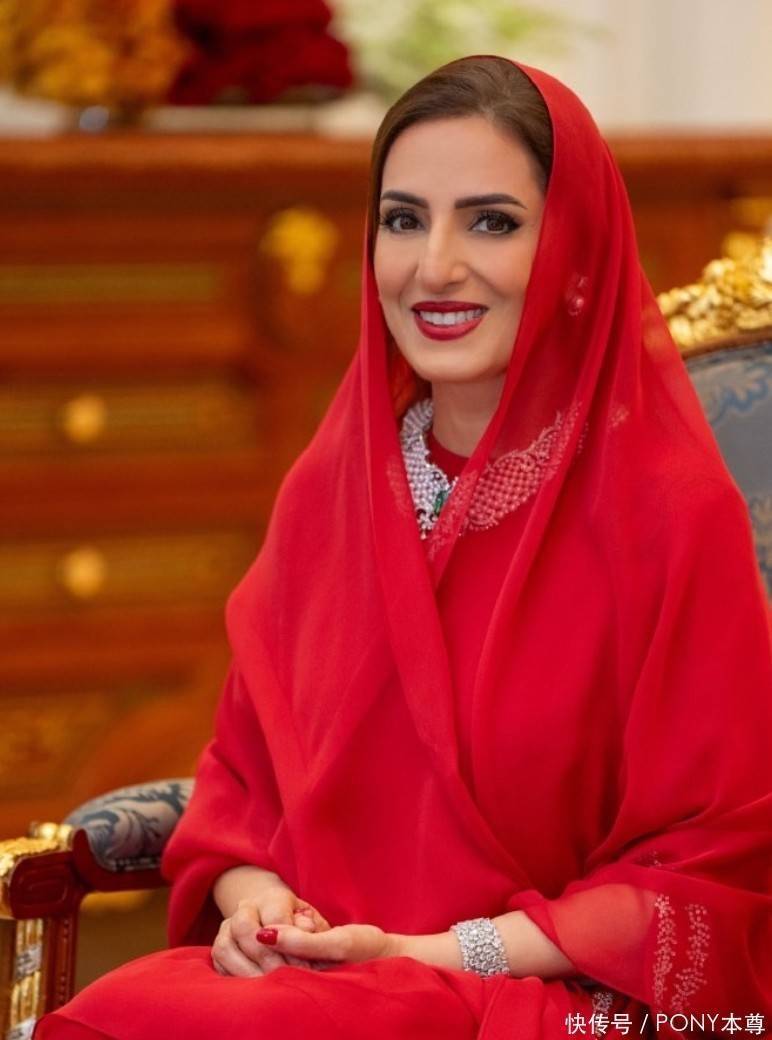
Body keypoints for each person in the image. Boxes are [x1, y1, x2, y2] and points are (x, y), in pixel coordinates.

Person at [35, 56, 772, 1040]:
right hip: (317, 982)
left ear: (577, 257)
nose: (434, 266)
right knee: (120, 1013)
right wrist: (259, 907)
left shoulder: (669, 514)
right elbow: (239, 791)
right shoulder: (327, 490)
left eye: (491, 222)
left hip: (544, 995)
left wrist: (431, 953)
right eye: (403, 219)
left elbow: (711, 874)